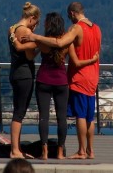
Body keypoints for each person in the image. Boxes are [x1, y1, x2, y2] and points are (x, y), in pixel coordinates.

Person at [22, 1, 101, 160]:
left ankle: (54, 151)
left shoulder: (50, 39)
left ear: (72, 13)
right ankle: (74, 151)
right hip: (79, 79)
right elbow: (70, 51)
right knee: (77, 117)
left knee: (50, 116)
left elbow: (52, 46)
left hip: (61, 78)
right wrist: (93, 60)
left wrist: (34, 37)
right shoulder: (96, 29)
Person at [8, 1, 41, 159]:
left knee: (17, 111)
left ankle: (17, 148)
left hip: (15, 72)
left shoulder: (13, 29)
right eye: (37, 22)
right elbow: (28, 55)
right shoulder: (25, 32)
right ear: (32, 18)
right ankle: (15, 150)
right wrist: (40, 46)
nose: (37, 25)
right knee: (19, 113)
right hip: (24, 74)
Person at [34, 12, 69, 160]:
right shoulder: (66, 42)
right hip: (61, 81)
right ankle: (60, 152)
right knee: (62, 118)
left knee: (44, 118)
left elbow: (32, 52)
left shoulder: (42, 41)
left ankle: (45, 151)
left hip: (44, 80)